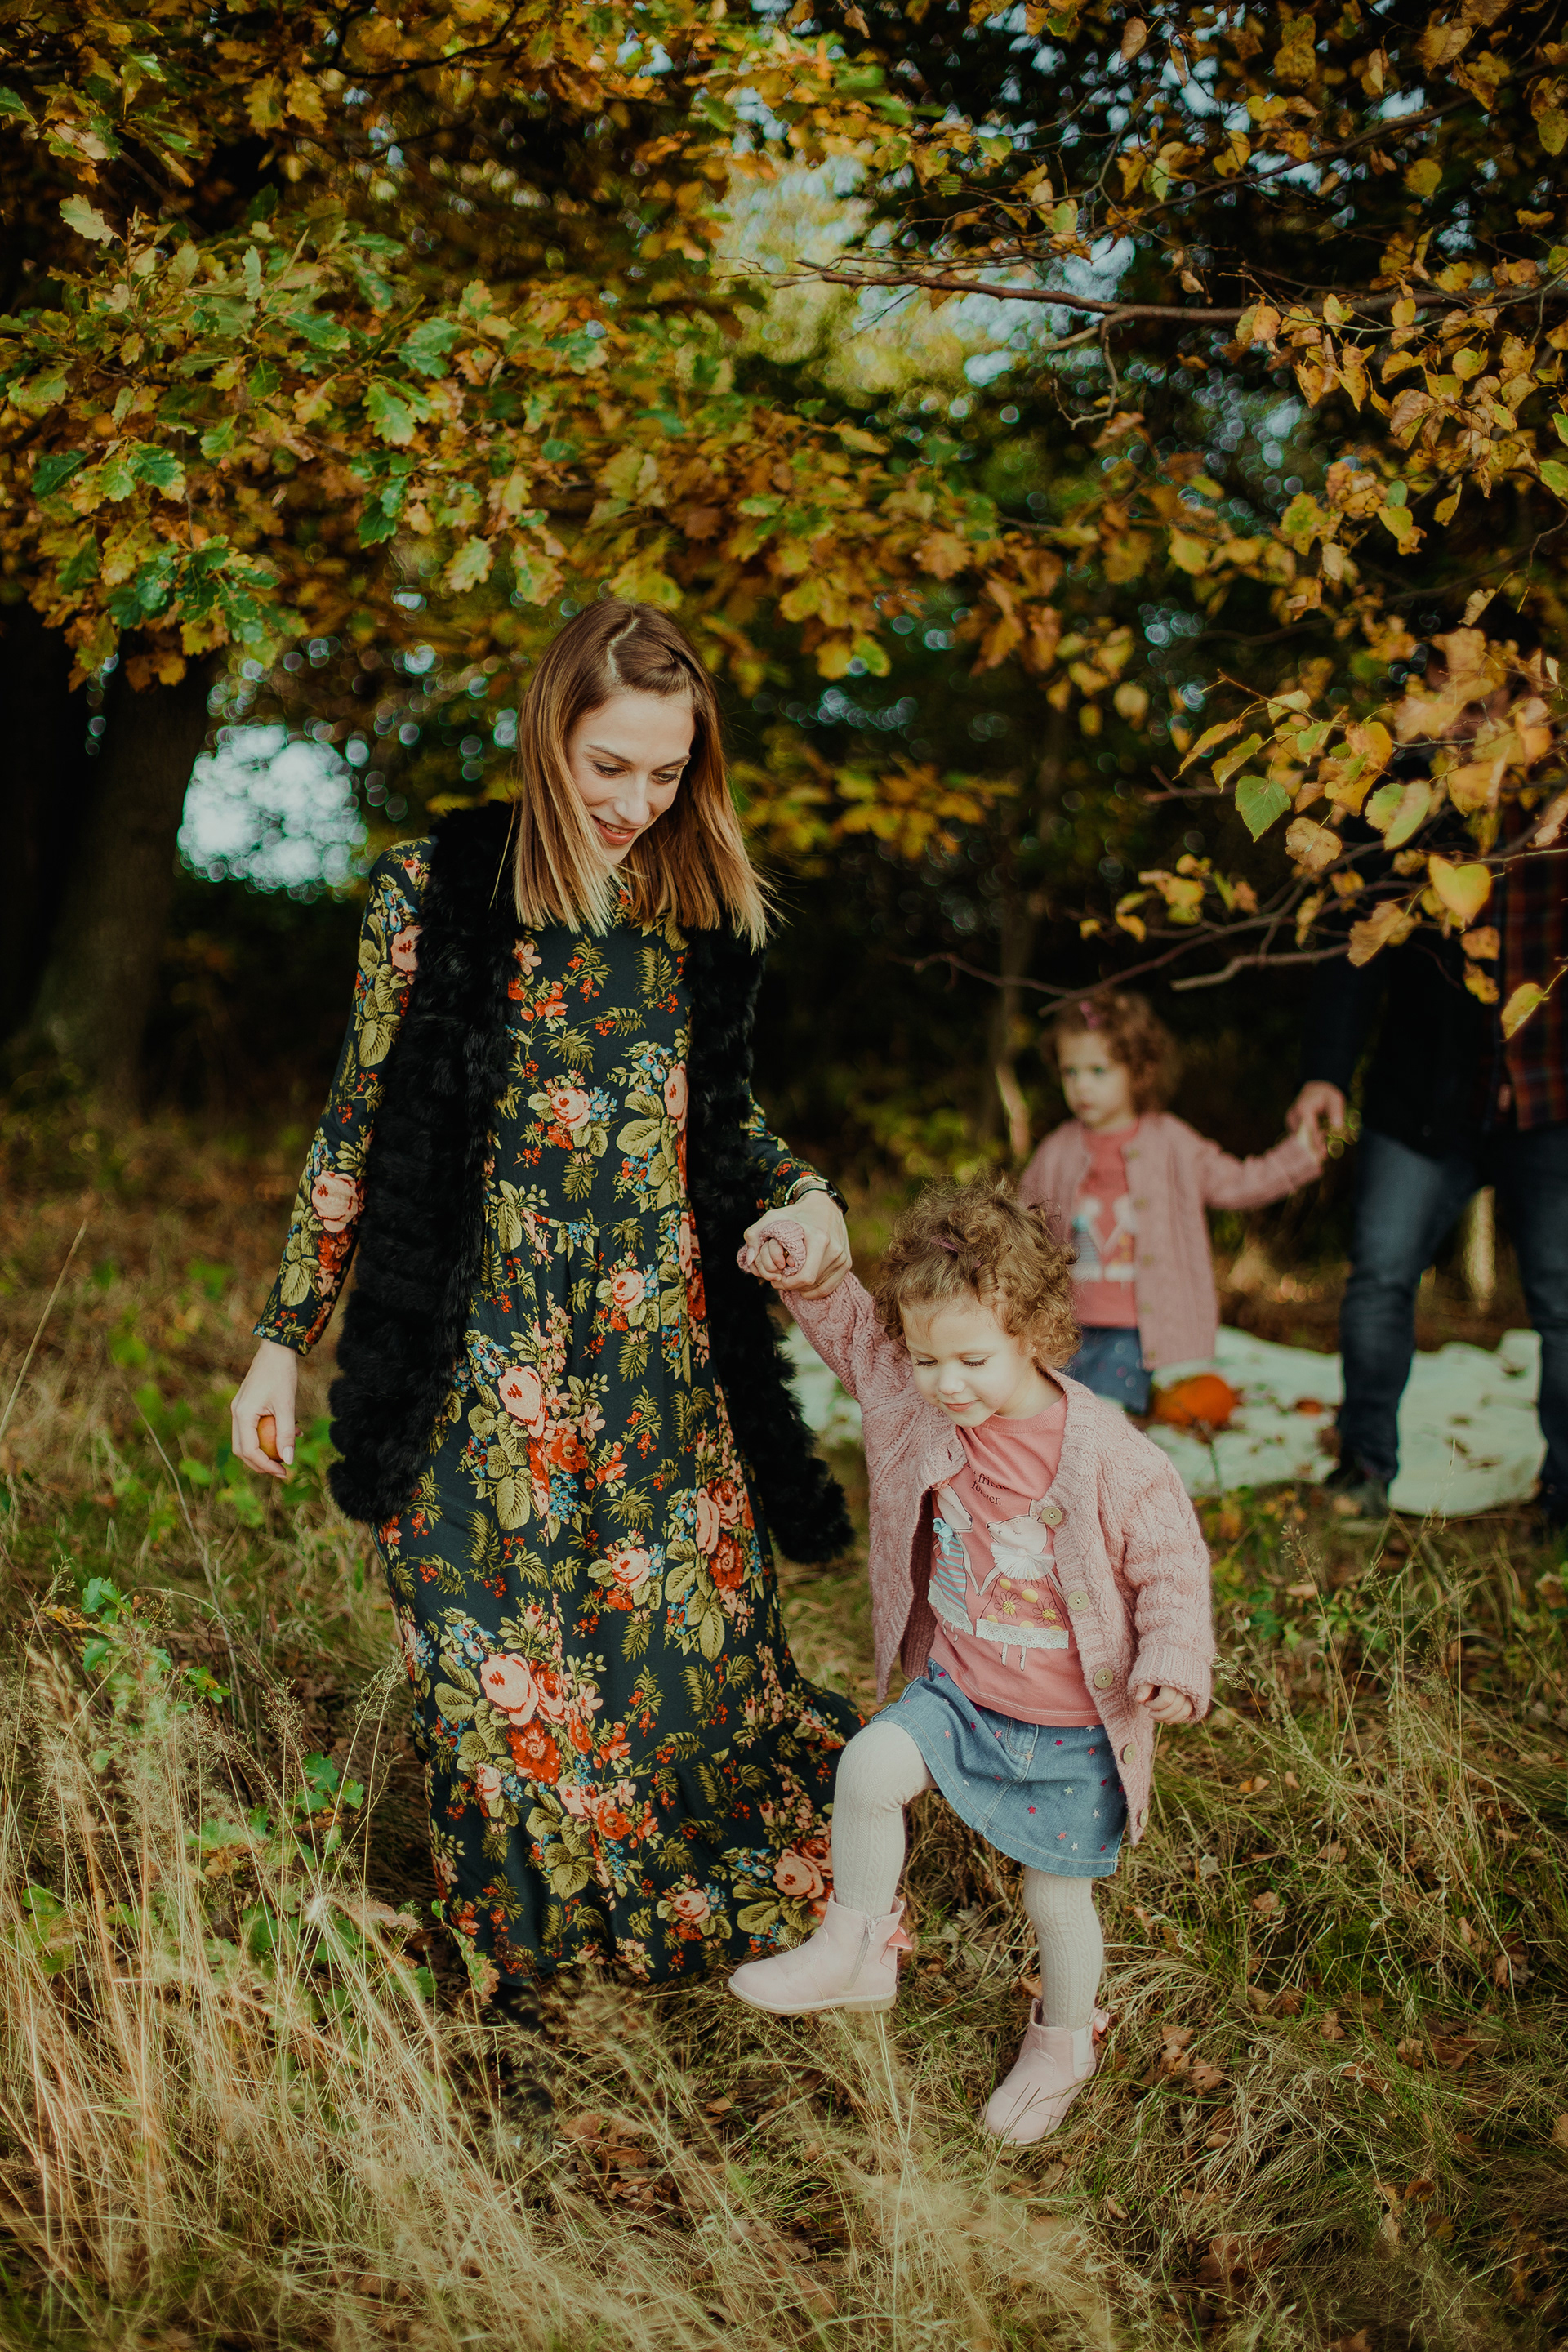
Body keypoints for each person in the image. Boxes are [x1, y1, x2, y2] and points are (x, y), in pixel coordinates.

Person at [230, 599, 864, 1994]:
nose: (638, 803)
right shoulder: (434, 894)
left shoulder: (697, 915)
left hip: (655, 1353)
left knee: (665, 1672)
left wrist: (806, 1196)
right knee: (486, 1663)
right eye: (608, 766)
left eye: (668, 772)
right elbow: (356, 1124)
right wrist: (283, 1339)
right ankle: (524, 1953)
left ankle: (673, 1920)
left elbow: (724, 1121)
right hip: (477, 1351)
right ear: (547, 739)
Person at [725, 1179, 1214, 2146]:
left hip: (1075, 1727)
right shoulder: (921, 1404)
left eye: (973, 1360)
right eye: (927, 1358)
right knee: (869, 1765)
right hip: (962, 1692)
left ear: (1033, 1333)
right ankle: (857, 1942)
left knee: (1055, 1898)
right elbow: (857, 1338)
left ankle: (1064, 2042)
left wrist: (1172, 1656)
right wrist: (808, 1268)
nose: (946, 1383)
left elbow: (1170, 1563)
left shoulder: (1111, 1457)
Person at [1290, 617, 1568, 1533]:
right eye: (1446, 702)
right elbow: (1351, 950)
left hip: (1553, 1100)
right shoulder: (1404, 806)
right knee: (1379, 1280)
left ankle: (1565, 1496)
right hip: (1423, 1100)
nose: (1462, 721)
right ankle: (1364, 1470)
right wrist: (1326, 1073)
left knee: (1563, 1304)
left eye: (1481, 701)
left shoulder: (1560, 798)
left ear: (1525, 701)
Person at [1015, 991, 1323, 1415]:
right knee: (1054, 1412)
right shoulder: (1057, 1150)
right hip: (1066, 1324)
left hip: (1137, 1328)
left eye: (1099, 1070)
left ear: (1141, 1071)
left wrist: (1297, 1156)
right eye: (1071, 1072)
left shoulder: (1172, 1142)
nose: (1081, 1085)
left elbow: (1237, 1183)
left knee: (1106, 1412)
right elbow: (1021, 1223)